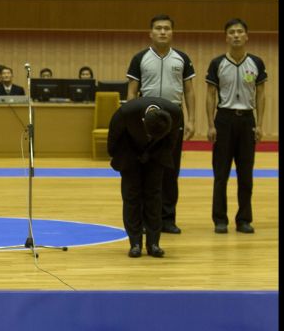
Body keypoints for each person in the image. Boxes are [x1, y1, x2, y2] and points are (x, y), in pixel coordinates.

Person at [125, 14, 196, 235]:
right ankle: (148, 220)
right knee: (147, 170)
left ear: (172, 32)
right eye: (158, 28)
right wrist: (132, 121)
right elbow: (132, 92)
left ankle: (167, 219)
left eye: (166, 28)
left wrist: (192, 119)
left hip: (174, 118)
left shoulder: (182, 59)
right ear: (151, 33)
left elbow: (190, 91)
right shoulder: (139, 58)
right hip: (147, 118)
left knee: (170, 170)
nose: (163, 32)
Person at [206, 18, 267, 234]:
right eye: (231, 32)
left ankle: (244, 220)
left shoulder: (257, 63)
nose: (236, 35)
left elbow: (261, 94)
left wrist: (259, 124)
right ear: (226, 37)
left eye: (240, 31)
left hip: (247, 120)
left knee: (245, 174)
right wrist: (211, 124)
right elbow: (211, 95)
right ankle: (220, 220)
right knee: (220, 174)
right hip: (224, 119)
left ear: (247, 36)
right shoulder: (217, 63)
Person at [108, 97, 183, 258]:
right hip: (129, 153)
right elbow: (113, 138)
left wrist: (153, 155)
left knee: (154, 197)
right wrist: (119, 158)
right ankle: (135, 243)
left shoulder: (175, 113)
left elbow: (171, 142)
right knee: (131, 197)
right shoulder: (127, 112)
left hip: (156, 155)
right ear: (142, 120)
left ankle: (153, 243)